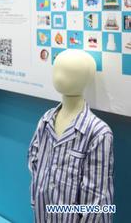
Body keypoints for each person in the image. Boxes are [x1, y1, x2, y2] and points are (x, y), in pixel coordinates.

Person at [28, 50, 114, 222]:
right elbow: (34, 167)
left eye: (70, 71)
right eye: (57, 69)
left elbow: (97, 199)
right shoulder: (46, 121)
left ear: (87, 78)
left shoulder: (98, 133)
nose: (60, 76)